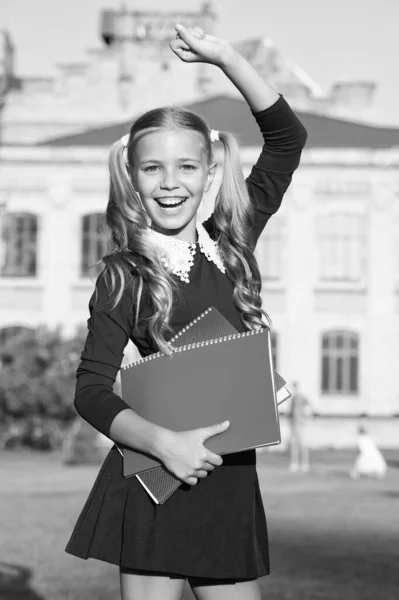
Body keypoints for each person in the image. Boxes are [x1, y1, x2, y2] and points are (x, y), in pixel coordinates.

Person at [65, 23, 307, 600]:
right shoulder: (125, 272)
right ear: (131, 176)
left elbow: (287, 139)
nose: (170, 184)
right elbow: (90, 389)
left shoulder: (235, 239)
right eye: (153, 169)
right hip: (156, 477)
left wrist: (225, 56)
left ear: (211, 173)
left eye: (187, 168)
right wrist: (162, 443)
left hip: (230, 480)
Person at [287, 381, 312, 473]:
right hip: (293, 425)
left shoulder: (302, 398)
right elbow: (290, 413)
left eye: (295, 388)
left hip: (301, 425)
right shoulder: (293, 399)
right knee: (294, 445)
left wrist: (305, 418)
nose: (294, 390)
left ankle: (305, 464)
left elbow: (308, 409)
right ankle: (294, 463)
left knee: (302, 445)